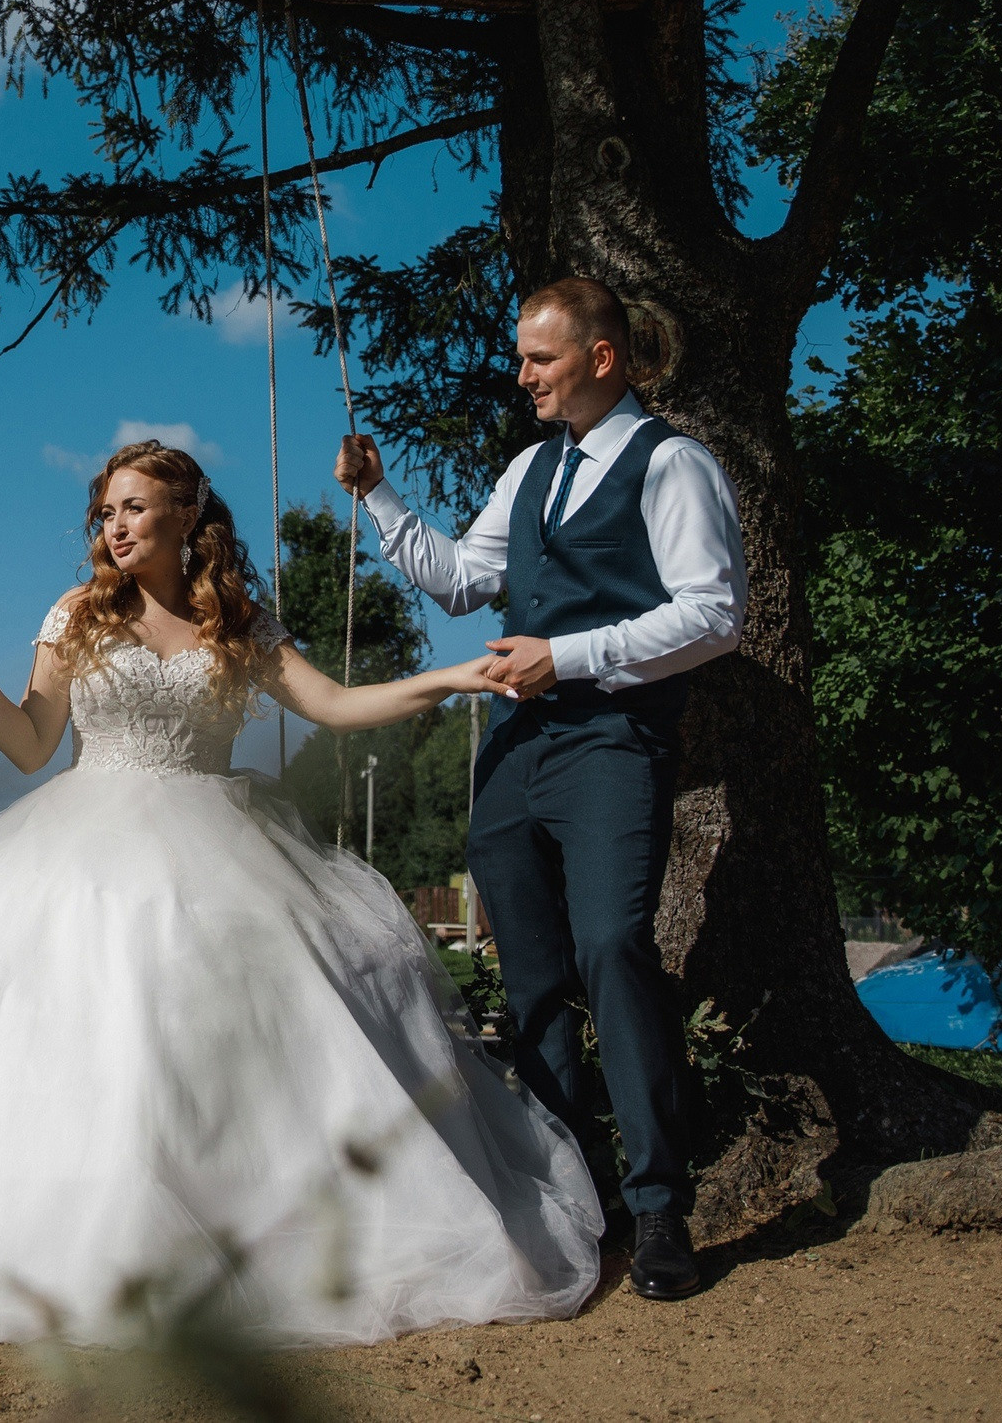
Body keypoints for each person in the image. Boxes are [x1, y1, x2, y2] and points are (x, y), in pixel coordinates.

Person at [0, 440, 603, 1347]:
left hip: (222, 841)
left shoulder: (239, 620)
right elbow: (31, 743)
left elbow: (336, 704)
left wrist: (451, 677)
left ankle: (236, 1232)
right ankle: (72, 1240)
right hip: (84, 836)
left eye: (134, 507)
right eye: (107, 511)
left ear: (187, 516)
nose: (115, 526)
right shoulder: (78, 614)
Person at [335, 276, 746, 1303]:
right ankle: (577, 1198)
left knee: (612, 945)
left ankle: (659, 1206)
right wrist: (378, 496)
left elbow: (714, 614)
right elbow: (460, 579)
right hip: (513, 751)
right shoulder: (526, 469)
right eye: (521, 357)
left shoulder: (673, 465)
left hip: (611, 740)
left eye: (539, 359)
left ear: (601, 358)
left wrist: (568, 654)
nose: (520, 376)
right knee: (532, 983)